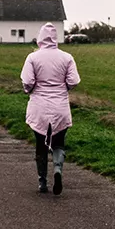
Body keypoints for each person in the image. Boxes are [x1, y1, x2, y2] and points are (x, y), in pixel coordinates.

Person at [21, 23, 80, 195]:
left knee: (41, 144)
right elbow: (74, 81)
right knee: (58, 143)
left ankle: (42, 182)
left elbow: (28, 81)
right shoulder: (67, 57)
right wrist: (63, 88)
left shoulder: (33, 58)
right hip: (60, 106)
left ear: (40, 37)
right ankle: (58, 169)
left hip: (39, 106)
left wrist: (30, 90)